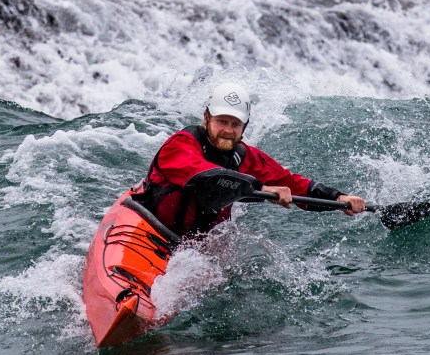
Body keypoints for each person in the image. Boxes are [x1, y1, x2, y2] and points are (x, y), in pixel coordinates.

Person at [133, 82, 366, 238]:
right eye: (221, 121)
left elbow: (292, 183)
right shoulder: (181, 145)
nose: (227, 130)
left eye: (235, 124)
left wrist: (338, 197)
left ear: (244, 127)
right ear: (206, 118)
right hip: (153, 229)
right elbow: (206, 177)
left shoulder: (244, 156)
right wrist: (261, 188)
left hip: (199, 246)